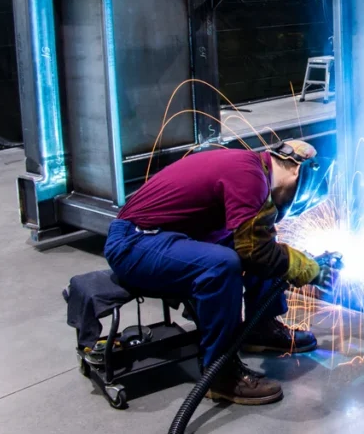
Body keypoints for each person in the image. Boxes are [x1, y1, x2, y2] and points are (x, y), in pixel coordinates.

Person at [103, 140, 336, 405]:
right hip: (133, 244)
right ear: (296, 172)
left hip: (165, 236)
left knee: (262, 240)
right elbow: (255, 253)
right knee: (224, 264)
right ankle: (220, 373)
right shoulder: (250, 178)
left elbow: (258, 245)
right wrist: (309, 269)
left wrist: (297, 262)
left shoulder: (253, 168)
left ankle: (260, 329)